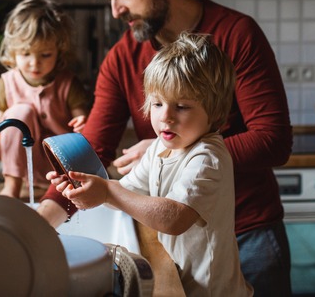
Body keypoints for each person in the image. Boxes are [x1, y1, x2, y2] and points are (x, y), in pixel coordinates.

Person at [37, 0, 293, 295]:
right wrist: (45, 218)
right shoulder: (123, 56)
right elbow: (91, 149)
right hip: (176, 244)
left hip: (248, 234)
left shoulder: (237, 34)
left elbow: (273, 140)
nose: (115, 11)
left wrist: (173, 152)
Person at [53, 32, 252, 296]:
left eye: (181, 106)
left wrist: (108, 191)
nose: (165, 117)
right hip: (183, 282)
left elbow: (175, 218)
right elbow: (128, 194)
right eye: (157, 103)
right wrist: (88, 189)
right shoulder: (160, 146)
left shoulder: (207, 158)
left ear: (214, 111)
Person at [0, 0, 90, 198]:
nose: (34, 63)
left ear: (59, 51)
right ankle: (11, 187)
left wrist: (83, 125)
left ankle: (57, 189)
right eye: (25, 54)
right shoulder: (7, 83)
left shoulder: (68, 83)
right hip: (20, 167)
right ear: (13, 51)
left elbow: (84, 127)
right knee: (19, 113)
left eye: (45, 55)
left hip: (61, 167)